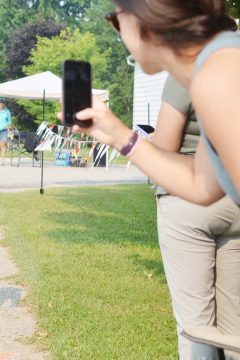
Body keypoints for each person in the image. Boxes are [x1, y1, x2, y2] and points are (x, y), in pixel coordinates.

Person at [74, 0, 240, 207]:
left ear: (145, 16)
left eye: (116, 20)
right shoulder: (219, 63)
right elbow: (200, 183)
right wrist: (117, 135)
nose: (119, 34)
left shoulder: (217, 75)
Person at [154, 76, 240, 359]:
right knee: (234, 328)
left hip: (190, 199)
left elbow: (164, 146)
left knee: (197, 327)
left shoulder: (189, 66)